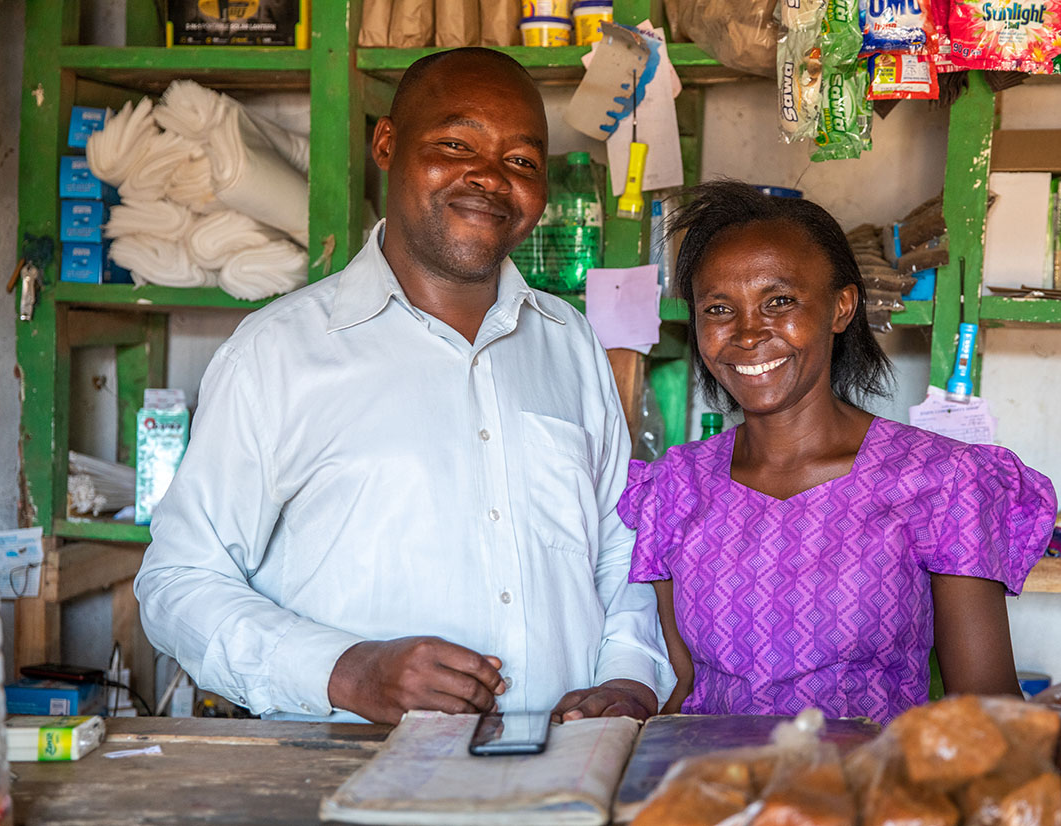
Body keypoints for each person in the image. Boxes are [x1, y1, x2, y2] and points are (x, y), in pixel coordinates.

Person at [135, 48, 672, 725]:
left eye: (522, 161)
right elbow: (178, 583)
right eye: (455, 143)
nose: (489, 178)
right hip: (343, 777)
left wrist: (627, 676)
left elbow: (620, 550)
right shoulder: (278, 353)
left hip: (557, 775)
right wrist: (346, 671)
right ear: (387, 145)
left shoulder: (570, 344)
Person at [618, 180, 1056, 724]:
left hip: (869, 798)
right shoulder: (677, 485)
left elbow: (987, 707)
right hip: (720, 792)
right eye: (718, 308)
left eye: (779, 301)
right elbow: (684, 687)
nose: (749, 333)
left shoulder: (942, 480)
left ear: (841, 307)